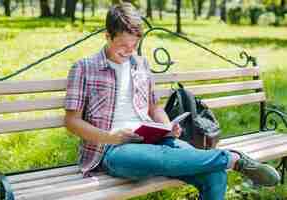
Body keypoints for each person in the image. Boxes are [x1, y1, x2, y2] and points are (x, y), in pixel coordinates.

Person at [65, 3, 280, 200]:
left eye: (134, 45)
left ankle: (225, 161)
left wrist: (166, 126)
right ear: (107, 36)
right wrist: (110, 137)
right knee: (164, 157)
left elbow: (154, 107)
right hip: (112, 149)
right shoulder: (84, 68)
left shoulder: (140, 64)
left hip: (151, 139)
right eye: (123, 45)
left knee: (214, 175)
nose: (129, 51)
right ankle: (232, 159)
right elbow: (71, 121)